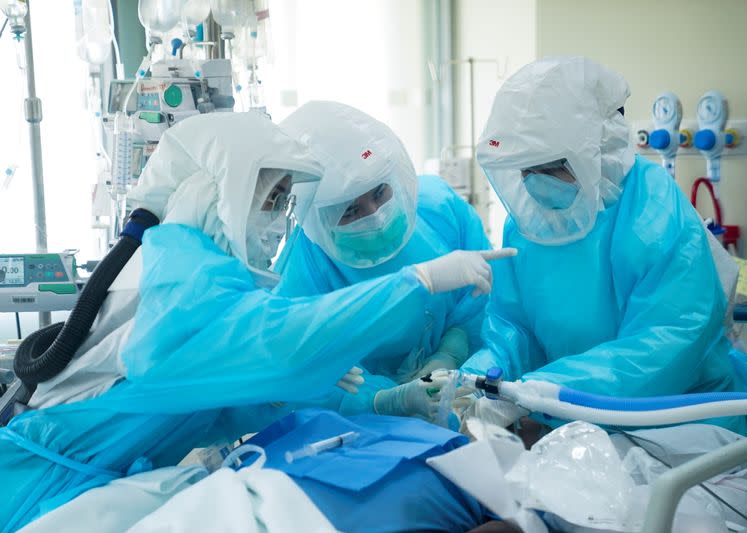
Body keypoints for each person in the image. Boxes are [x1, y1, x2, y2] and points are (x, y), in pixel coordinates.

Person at [0, 112, 510, 530]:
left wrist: (278, 393)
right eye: (268, 202)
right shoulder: (177, 279)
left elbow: (216, 408)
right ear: (219, 197)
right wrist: (416, 281)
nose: (275, 221)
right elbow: (279, 344)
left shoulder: (201, 269)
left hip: (93, 482)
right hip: (37, 489)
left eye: (283, 204)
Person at [459, 57, 747, 435]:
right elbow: (513, 327)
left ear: (602, 149)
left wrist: (536, 393)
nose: (536, 185)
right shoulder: (530, 222)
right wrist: (474, 380)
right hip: (565, 420)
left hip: (679, 423)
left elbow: (662, 348)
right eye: (525, 170)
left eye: (550, 167)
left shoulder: (654, 216)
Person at [275, 101, 501, 419]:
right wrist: (383, 399)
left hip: (459, 405)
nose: (376, 217)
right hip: (360, 432)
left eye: (379, 193)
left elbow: (484, 306)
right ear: (316, 219)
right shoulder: (302, 272)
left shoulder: (440, 210)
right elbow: (298, 370)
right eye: (350, 210)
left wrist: (452, 350)